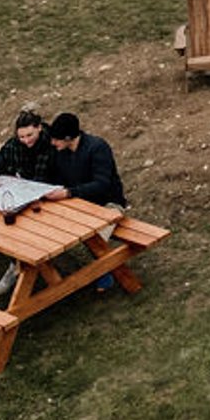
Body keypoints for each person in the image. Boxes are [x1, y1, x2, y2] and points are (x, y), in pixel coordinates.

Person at [46, 111, 128, 290]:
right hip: (78, 203)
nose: (53, 143)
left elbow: (102, 184)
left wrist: (68, 193)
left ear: (68, 138)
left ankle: (104, 272)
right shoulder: (61, 152)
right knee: (50, 235)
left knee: (91, 239)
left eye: (57, 139)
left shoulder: (97, 147)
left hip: (108, 204)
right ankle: (73, 275)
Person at [0, 110, 55, 296]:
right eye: (21, 136)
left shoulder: (53, 144)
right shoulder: (14, 145)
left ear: (39, 128)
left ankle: (21, 267)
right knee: (5, 223)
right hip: (23, 197)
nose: (25, 140)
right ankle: (16, 265)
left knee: (27, 229)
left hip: (50, 199)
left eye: (30, 135)